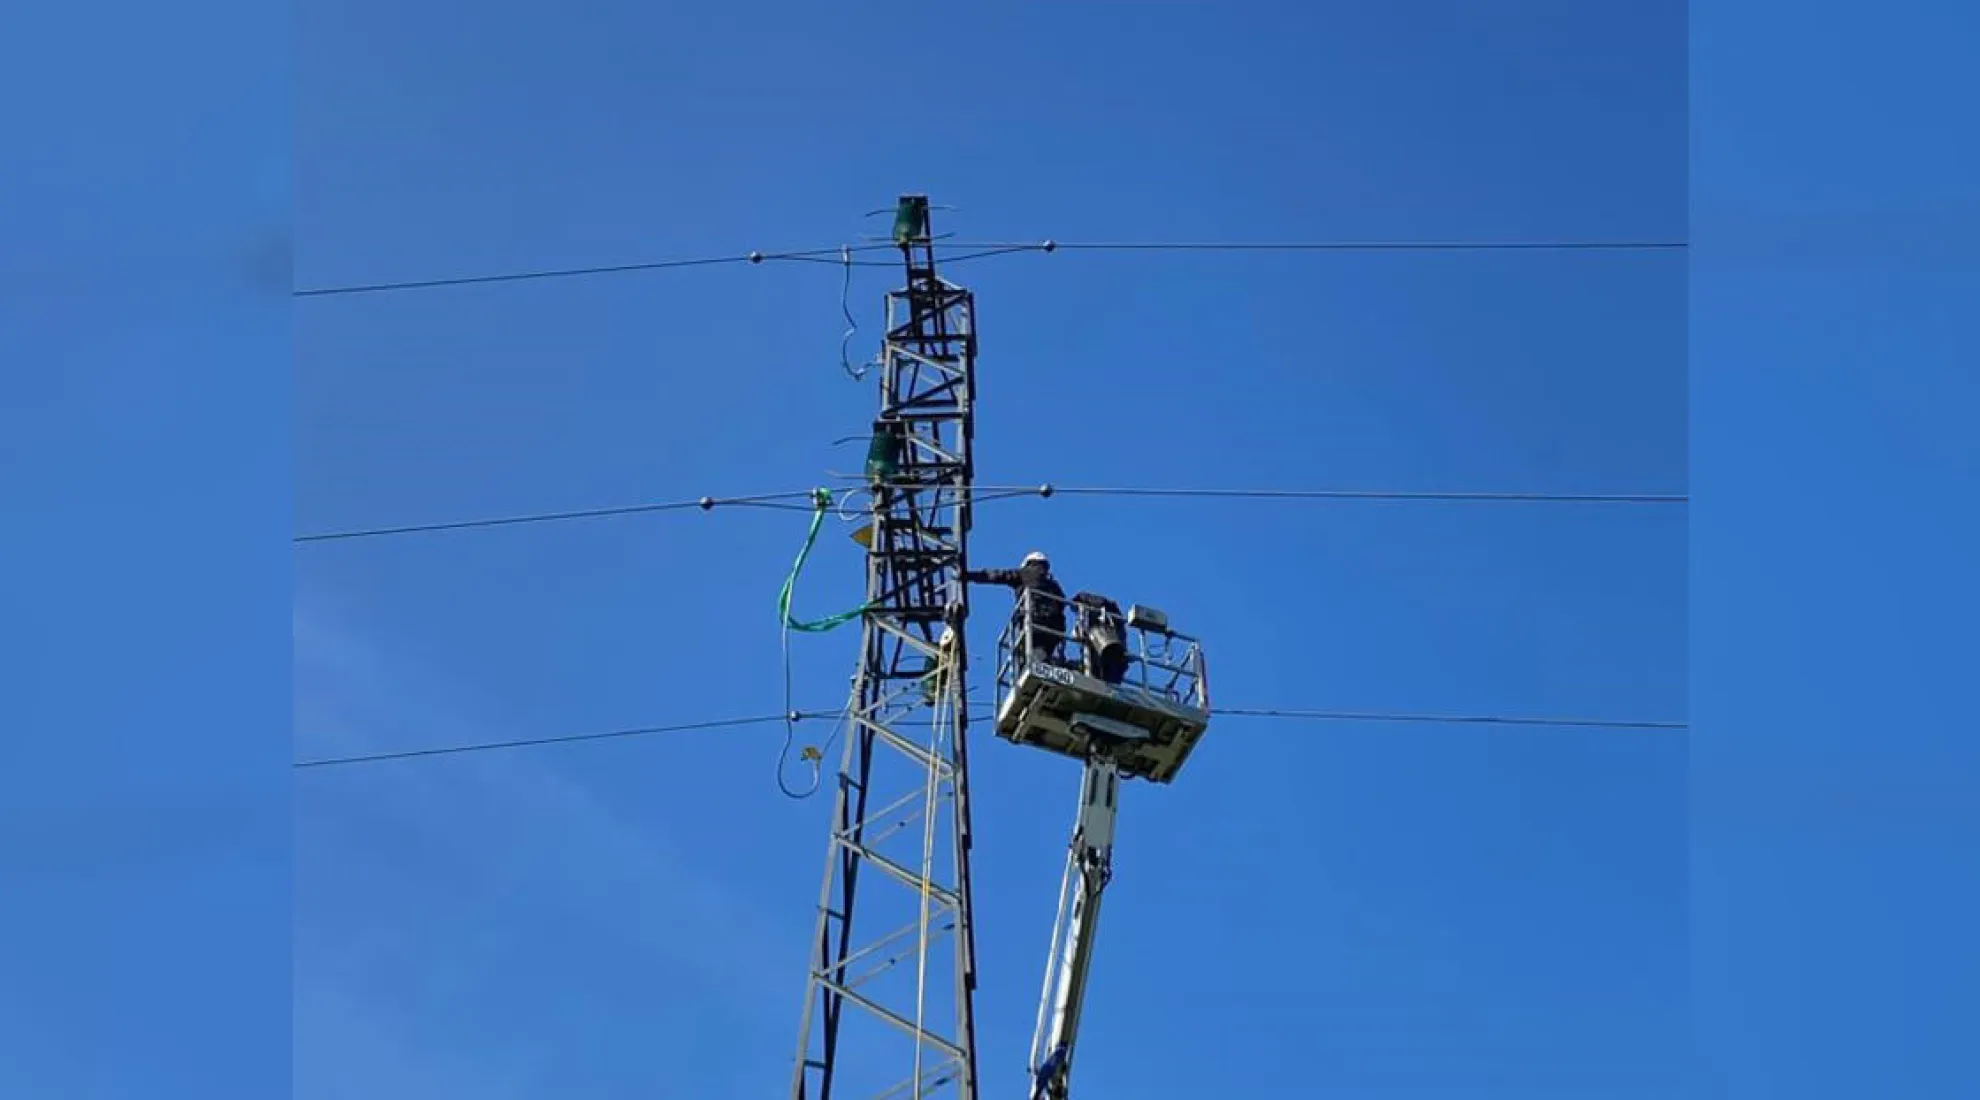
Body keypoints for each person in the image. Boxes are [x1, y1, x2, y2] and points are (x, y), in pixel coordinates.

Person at [963, 551, 1066, 667]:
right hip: (1055, 630)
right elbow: (1063, 602)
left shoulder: (1024, 573)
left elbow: (998, 575)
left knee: (1029, 660)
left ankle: (1033, 670)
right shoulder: (1053, 585)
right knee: (1043, 654)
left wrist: (970, 576)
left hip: (1033, 623)